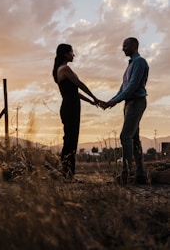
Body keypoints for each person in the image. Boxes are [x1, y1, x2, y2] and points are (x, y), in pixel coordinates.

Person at [103, 37, 149, 184]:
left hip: (136, 102)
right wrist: (111, 101)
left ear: (134, 46)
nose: (123, 48)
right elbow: (123, 88)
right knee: (133, 137)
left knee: (125, 136)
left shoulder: (140, 62)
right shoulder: (130, 65)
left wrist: (114, 101)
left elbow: (132, 87)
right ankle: (141, 174)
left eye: (125, 45)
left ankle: (126, 174)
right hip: (129, 103)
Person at [52, 43, 100, 178]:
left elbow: (74, 92)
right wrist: (94, 97)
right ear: (65, 54)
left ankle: (68, 172)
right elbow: (80, 84)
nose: (74, 55)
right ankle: (67, 172)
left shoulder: (61, 69)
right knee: (70, 140)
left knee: (71, 139)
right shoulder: (65, 69)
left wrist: (91, 101)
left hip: (71, 105)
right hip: (70, 106)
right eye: (72, 52)